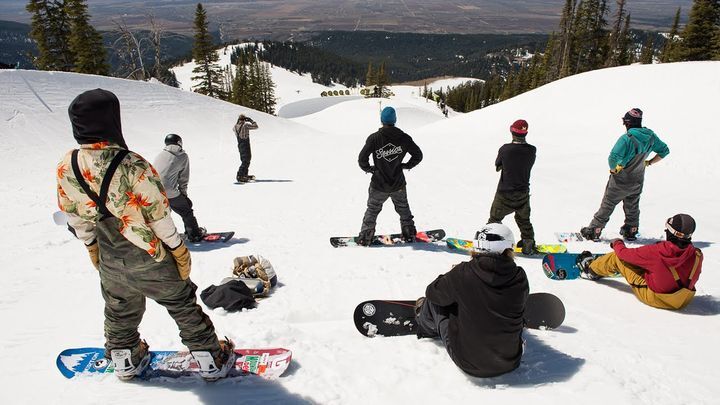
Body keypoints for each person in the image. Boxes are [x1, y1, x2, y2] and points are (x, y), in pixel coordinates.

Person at [56, 89, 235, 381]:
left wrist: (91, 245)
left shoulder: (67, 164)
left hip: (109, 254)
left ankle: (124, 358)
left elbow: (74, 213)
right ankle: (208, 357)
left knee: (119, 307)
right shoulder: (132, 164)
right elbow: (158, 214)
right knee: (180, 301)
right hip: (150, 252)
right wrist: (177, 249)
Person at [415, 223, 529, 377]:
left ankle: (424, 324)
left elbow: (432, 292)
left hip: (470, 364)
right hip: (510, 361)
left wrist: (451, 275)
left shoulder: (464, 273)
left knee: (434, 301)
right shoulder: (519, 277)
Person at [578, 214, 703, 310]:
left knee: (616, 258)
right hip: (684, 299)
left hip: (657, 297)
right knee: (656, 266)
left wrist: (617, 243)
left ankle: (590, 269)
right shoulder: (697, 254)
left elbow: (624, 254)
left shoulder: (658, 251)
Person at [580, 108, 670, 241]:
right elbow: (664, 151)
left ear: (627, 123)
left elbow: (612, 158)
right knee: (632, 206)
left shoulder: (626, 139)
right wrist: (649, 162)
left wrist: (613, 169)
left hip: (620, 181)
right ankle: (631, 229)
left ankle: (595, 229)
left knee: (608, 203)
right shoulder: (650, 136)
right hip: (637, 180)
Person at [357, 106, 423, 245]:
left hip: (379, 184)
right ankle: (409, 232)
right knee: (403, 208)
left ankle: (366, 236)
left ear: (382, 120)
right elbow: (418, 155)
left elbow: (362, 159)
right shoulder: (404, 138)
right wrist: (406, 165)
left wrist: (370, 169)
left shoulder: (374, 138)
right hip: (398, 183)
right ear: (395, 120)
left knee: (373, 209)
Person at [488, 119, 537, 255]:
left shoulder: (505, 149)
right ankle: (528, 243)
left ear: (512, 132)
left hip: (505, 192)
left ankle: (490, 241)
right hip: (523, 192)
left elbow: (498, 166)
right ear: (525, 133)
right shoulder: (532, 150)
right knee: (523, 219)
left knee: (494, 219)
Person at [153, 134, 206, 242]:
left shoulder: (160, 155)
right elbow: (183, 178)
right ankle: (194, 234)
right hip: (169, 192)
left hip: (154, 190)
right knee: (186, 210)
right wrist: (183, 194)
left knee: (163, 214)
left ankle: (160, 237)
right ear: (179, 143)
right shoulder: (182, 156)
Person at [233, 113, 259, 183]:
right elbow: (256, 126)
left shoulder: (235, 127)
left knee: (244, 159)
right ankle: (240, 175)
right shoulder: (245, 125)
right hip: (245, 144)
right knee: (246, 160)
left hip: (240, 144)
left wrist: (238, 121)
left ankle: (244, 174)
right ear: (244, 119)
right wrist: (251, 120)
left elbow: (236, 127)